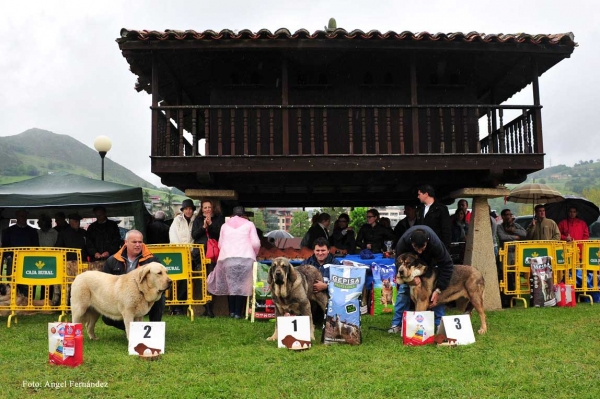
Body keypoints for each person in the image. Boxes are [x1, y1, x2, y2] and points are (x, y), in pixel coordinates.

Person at [389, 225, 453, 333]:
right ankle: (397, 324)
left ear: (427, 241)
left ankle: (439, 325)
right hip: (409, 267)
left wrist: (438, 289)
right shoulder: (403, 243)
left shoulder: (435, 243)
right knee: (403, 290)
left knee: (435, 293)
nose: (419, 251)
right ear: (411, 242)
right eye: (416, 248)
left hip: (430, 264)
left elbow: (447, 266)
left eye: (422, 247)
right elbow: (398, 266)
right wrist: (409, 281)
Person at [101, 230, 165, 330]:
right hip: (122, 298)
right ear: (126, 242)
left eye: (140, 242)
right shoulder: (112, 260)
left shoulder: (152, 260)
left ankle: (154, 330)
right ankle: (133, 329)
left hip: (145, 297)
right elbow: (104, 283)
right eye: (134, 242)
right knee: (106, 318)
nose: (138, 245)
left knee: (159, 297)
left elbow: (161, 281)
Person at [207, 206, 260, 319]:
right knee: (242, 285)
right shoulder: (249, 224)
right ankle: (238, 313)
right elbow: (255, 243)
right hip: (245, 258)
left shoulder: (225, 226)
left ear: (232, 215)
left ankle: (231, 311)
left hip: (228, 258)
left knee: (231, 285)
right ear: (244, 215)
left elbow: (220, 244)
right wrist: (254, 253)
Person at [191, 199, 225, 318]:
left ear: (213, 208)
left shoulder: (219, 219)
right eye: (204, 207)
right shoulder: (197, 220)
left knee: (211, 279)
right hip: (199, 254)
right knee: (202, 280)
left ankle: (210, 306)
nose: (207, 210)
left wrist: (210, 225)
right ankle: (206, 306)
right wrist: (203, 227)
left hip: (213, 254)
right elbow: (194, 235)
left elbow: (219, 234)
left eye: (209, 207)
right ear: (202, 209)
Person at [1, 209, 39, 296]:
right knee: (13, 282)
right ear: (17, 217)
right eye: (21, 216)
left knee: (26, 282)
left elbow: (36, 246)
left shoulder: (32, 231)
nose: (23, 218)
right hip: (13, 259)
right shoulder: (8, 231)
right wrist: (9, 257)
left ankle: (26, 303)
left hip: (27, 261)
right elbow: (5, 245)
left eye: (25, 216)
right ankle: (13, 302)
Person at [169, 198, 197, 315]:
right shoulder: (177, 220)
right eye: (186, 209)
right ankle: (175, 306)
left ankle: (182, 305)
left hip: (191, 254)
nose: (188, 211)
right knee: (177, 280)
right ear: (183, 210)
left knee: (187, 280)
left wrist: (191, 250)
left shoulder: (196, 220)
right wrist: (180, 250)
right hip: (179, 254)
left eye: (190, 209)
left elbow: (195, 237)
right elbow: (173, 235)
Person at [55, 213, 88, 305]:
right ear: (70, 222)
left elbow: (88, 246)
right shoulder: (64, 232)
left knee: (81, 284)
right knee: (67, 285)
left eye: (78, 221)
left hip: (82, 262)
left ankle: (80, 303)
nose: (77, 223)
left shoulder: (83, 232)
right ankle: (65, 304)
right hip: (68, 263)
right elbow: (58, 247)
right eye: (75, 221)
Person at [495, 208, 526, 308]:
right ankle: (505, 300)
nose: (509, 216)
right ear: (503, 216)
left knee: (515, 276)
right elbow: (502, 237)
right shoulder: (500, 226)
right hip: (505, 254)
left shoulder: (516, 225)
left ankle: (515, 298)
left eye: (510, 214)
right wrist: (515, 237)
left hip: (515, 254)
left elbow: (525, 234)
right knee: (505, 277)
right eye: (507, 215)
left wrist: (514, 230)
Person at [86, 205, 123, 270]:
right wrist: (94, 252)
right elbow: (89, 243)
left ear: (105, 214)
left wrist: (109, 252)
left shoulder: (113, 225)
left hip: (112, 258)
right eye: (97, 215)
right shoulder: (92, 227)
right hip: (95, 260)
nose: (99, 217)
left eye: (100, 215)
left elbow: (117, 241)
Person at [37, 213, 59, 300]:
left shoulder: (55, 233)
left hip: (51, 260)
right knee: (38, 279)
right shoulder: (37, 232)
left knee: (50, 280)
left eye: (40, 222)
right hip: (39, 258)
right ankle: (39, 299)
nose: (38, 224)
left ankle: (48, 300)